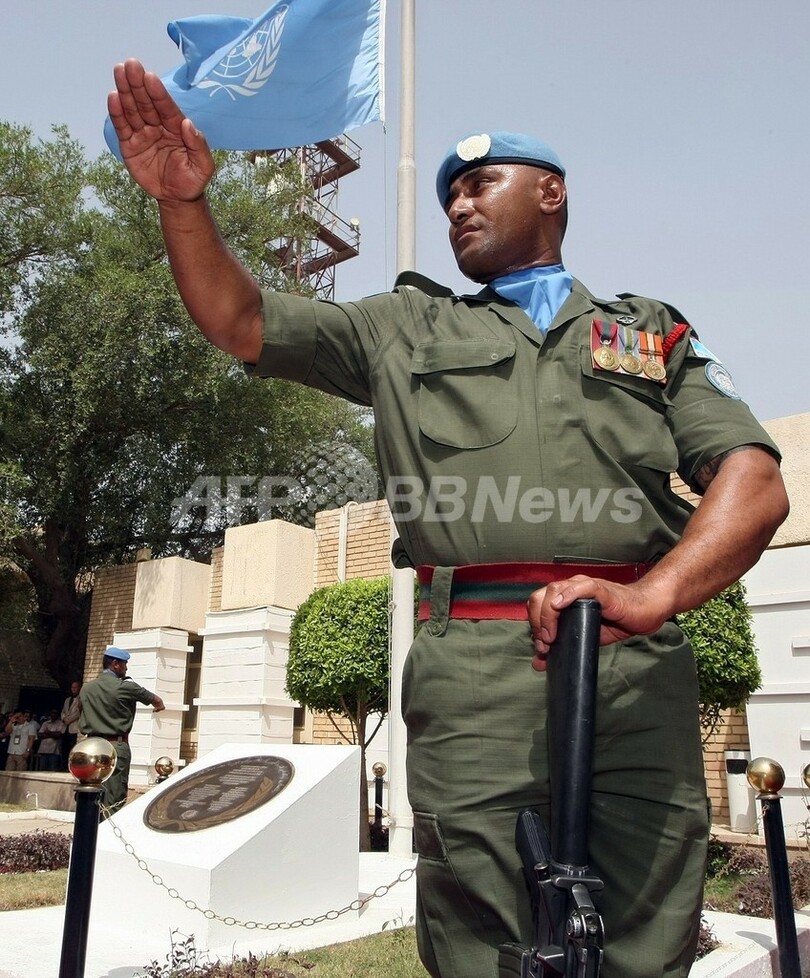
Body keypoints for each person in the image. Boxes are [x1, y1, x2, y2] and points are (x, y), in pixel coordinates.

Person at [108, 60, 789, 978]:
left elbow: (752, 479)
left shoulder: (648, 331)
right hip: (475, 672)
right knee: (482, 936)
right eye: (449, 196)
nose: (459, 206)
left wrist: (655, 596)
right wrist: (183, 205)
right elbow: (239, 319)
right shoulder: (405, 329)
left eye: (480, 184)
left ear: (550, 192)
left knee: (644, 929)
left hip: (634, 666)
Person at [78, 646, 165, 817]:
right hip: (114, 746)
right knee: (114, 796)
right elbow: (157, 701)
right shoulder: (125, 687)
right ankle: (105, 833)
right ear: (115, 664)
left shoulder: (87, 688)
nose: (126, 668)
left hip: (89, 747)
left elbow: (81, 709)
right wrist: (159, 708)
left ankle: (88, 831)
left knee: (89, 792)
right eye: (125, 664)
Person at [60, 680, 82, 770]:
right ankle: (63, 766)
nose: (73, 689)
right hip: (65, 728)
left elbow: (78, 713)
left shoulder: (80, 699)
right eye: (72, 688)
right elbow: (63, 711)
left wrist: (68, 720)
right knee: (64, 748)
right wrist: (64, 718)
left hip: (74, 727)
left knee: (72, 747)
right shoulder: (68, 700)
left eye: (75, 687)